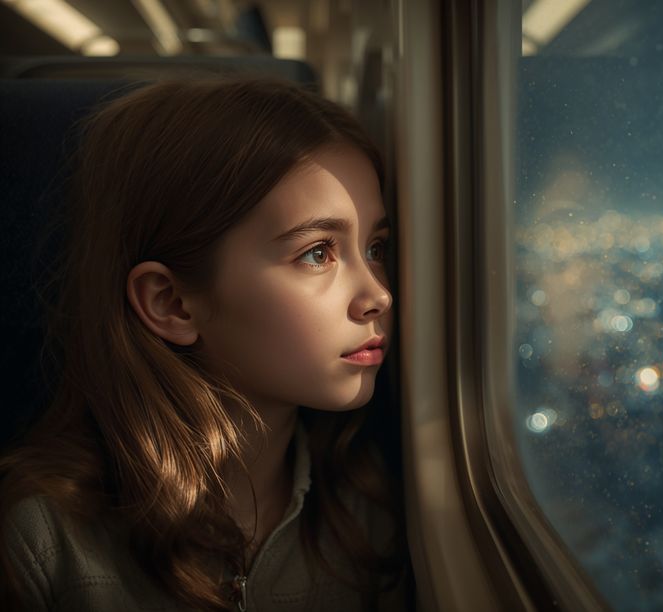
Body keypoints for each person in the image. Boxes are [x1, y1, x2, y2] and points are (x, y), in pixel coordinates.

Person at [0, 78, 408, 611]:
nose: (379, 295)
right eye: (317, 253)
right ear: (171, 303)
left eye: (376, 248)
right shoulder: (44, 544)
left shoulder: (367, 519)